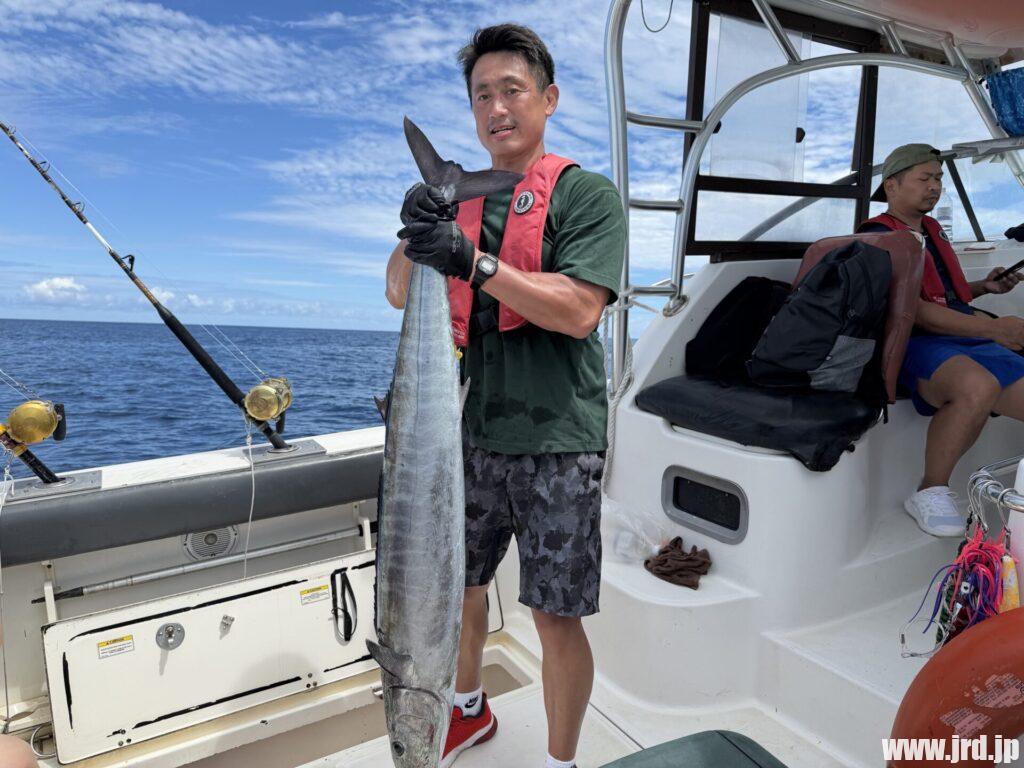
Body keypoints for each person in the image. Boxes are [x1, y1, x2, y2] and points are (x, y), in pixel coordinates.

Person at [385, 23, 625, 768]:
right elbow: (399, 291)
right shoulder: (455, 205)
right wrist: (420, 226)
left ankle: (560, 761)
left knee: (554, 617)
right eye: (482, 94)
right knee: (457, 589)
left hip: (558, 438)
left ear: (547, 99)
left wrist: (474, 262)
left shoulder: (586, 195)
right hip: (469, 435)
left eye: (512, 90)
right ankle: (465, 711)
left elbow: (579, 310)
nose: (496, 107)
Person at [858, 143, 1024, 536]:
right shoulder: (879, 237)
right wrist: (995, 330)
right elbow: (914, 311)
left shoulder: (931, 231)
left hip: (958, 335)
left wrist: (982, 287)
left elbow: (943, 296)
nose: (934, 186)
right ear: (892, 186)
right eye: (924, 178)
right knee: (976, 385)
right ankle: (930, 490)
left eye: (938, 179)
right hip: (913, 341)